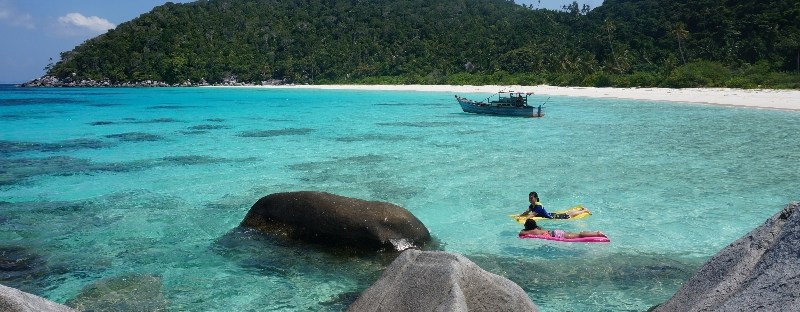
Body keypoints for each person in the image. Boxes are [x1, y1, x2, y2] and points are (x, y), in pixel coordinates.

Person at [518, 192, 587, 219]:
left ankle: (584, 210)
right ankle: (580, 209)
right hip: (551, 214)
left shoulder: (538, 206)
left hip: (553, 217)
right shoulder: (532, 205)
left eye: (531, 198)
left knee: (569, 215)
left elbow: (532, 215)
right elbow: (527, 212)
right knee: (567, 213)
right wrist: (520, 215)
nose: (530, 199)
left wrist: (524, 219)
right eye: (529, 198)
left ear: (536, 198)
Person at [519, 219, 606, 239]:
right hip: (556, 232)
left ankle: (597, 233)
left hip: (557, 234)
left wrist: (524, 230)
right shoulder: (538, 228)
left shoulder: (533, 231)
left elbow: (521, 233)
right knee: (577, 234)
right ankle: (595, 233)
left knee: (579, 235)